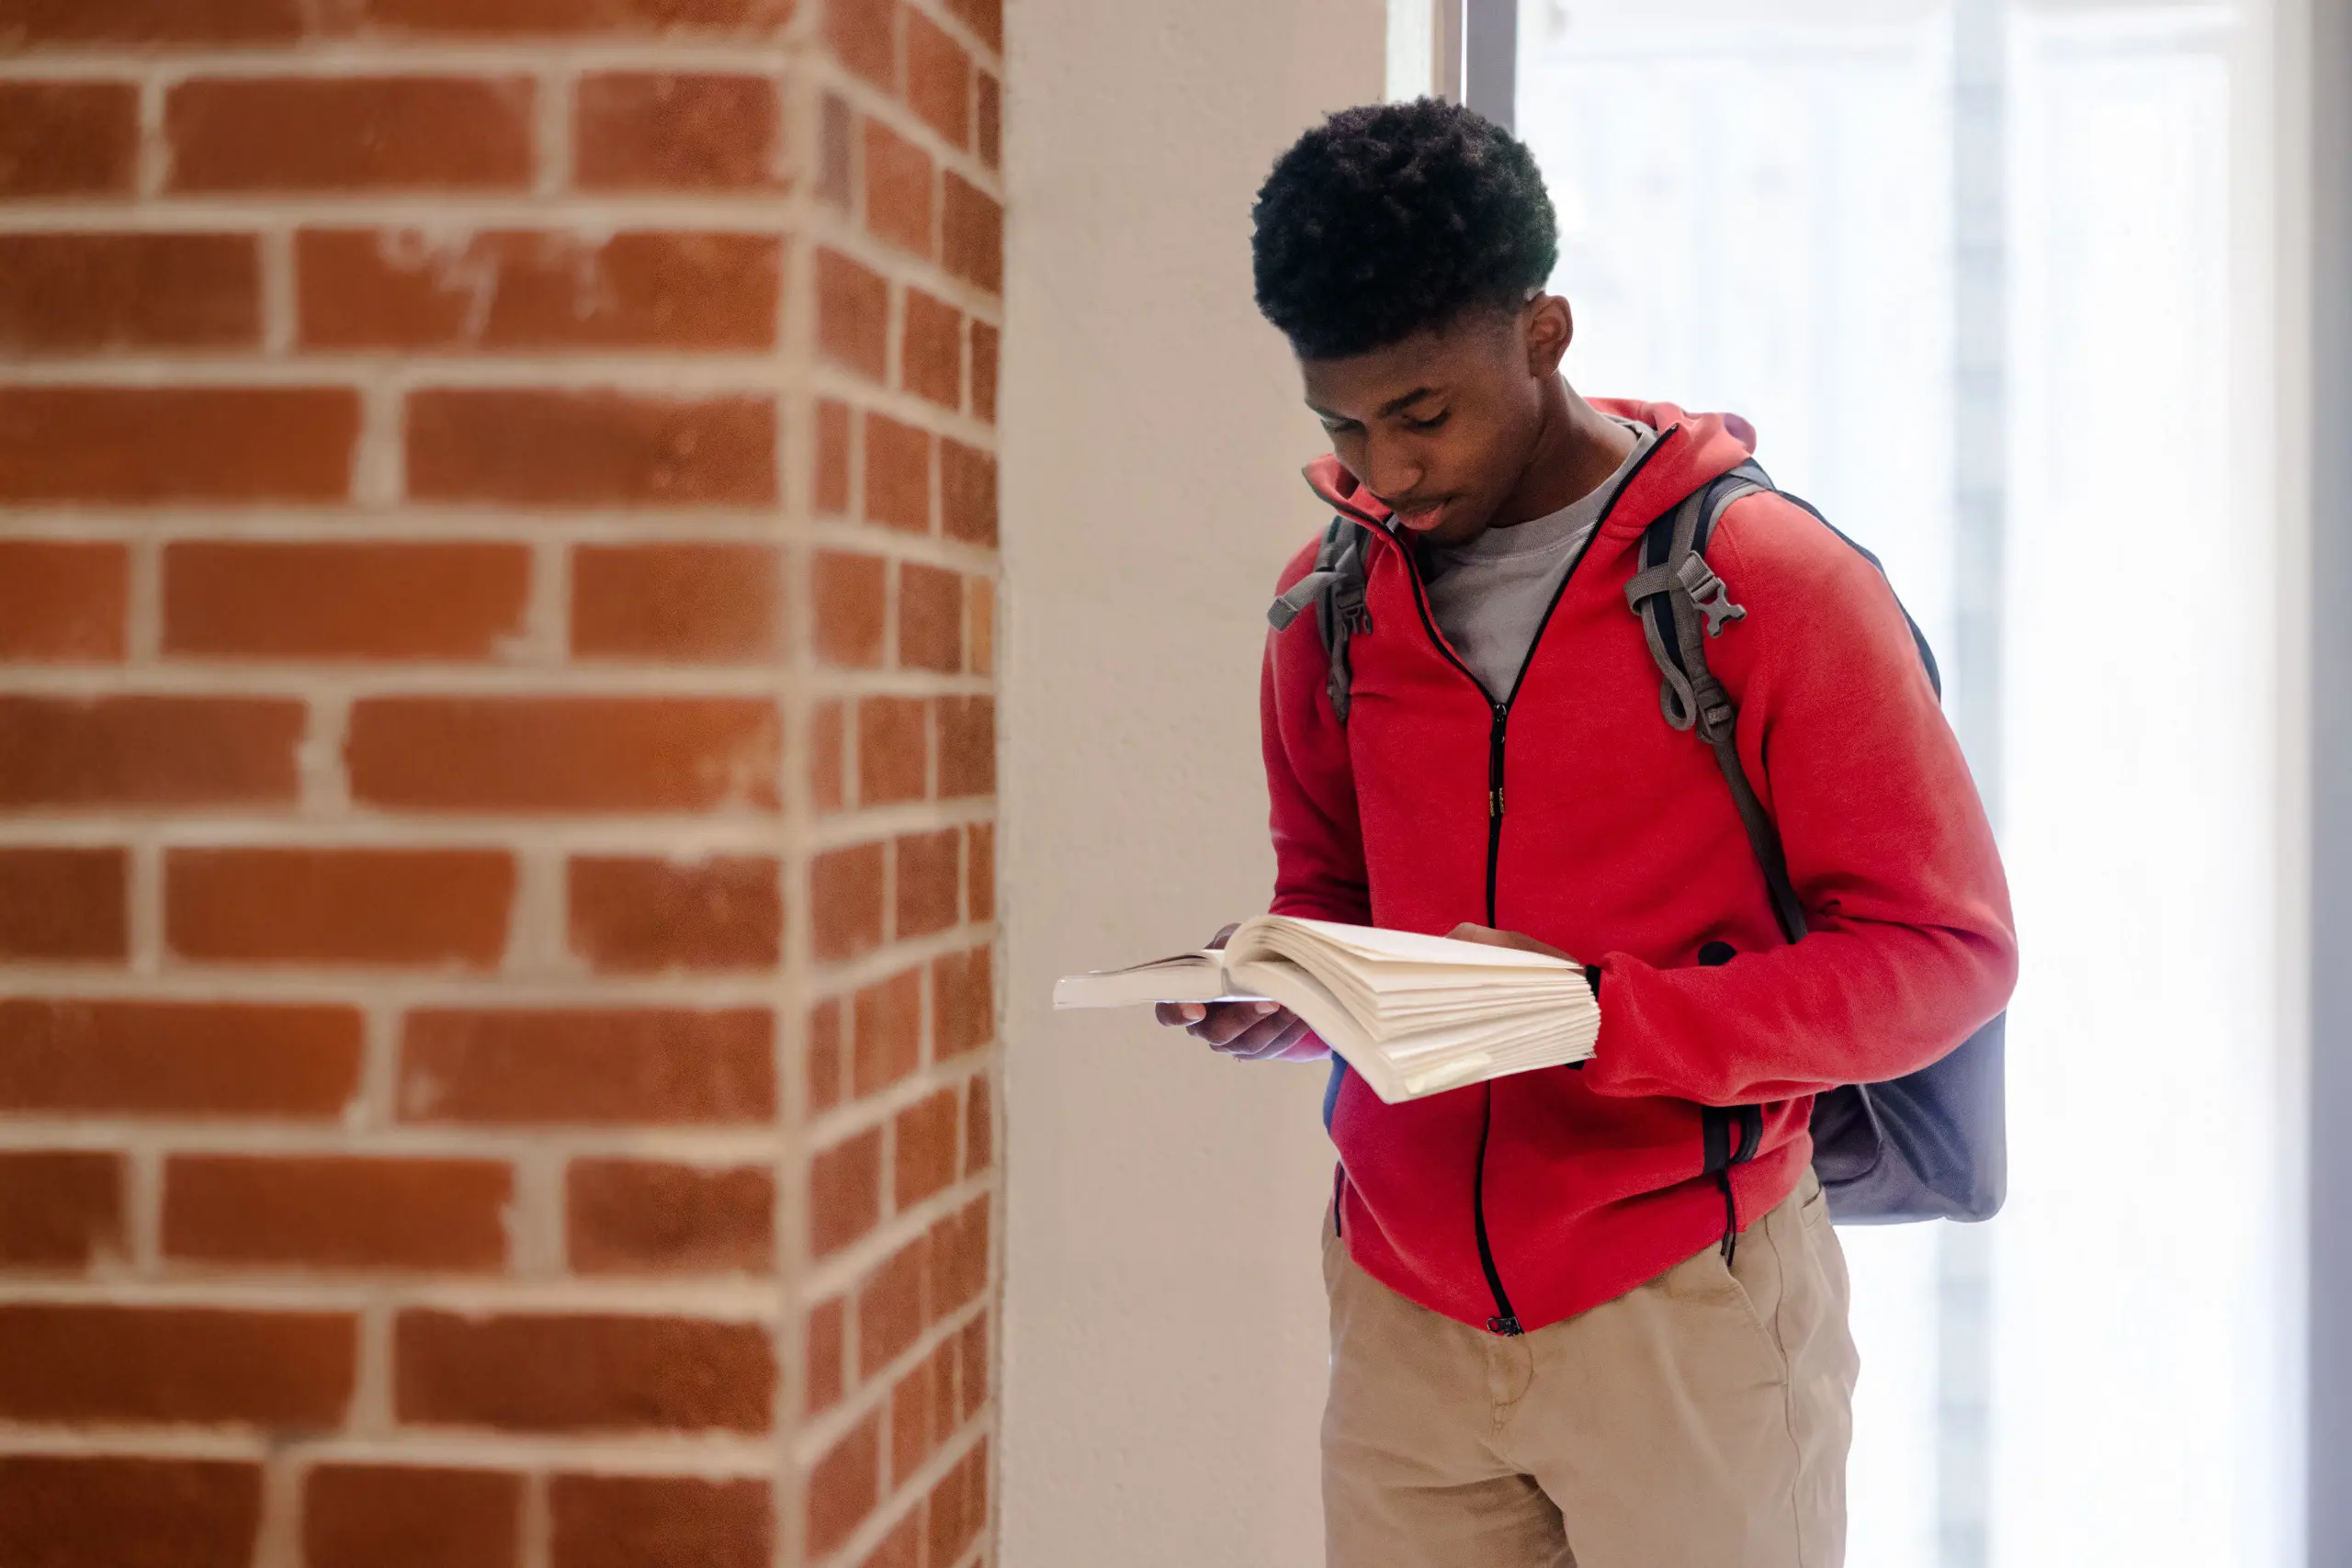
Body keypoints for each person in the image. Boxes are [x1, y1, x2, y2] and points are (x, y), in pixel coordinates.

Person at [1157, 99, 2018, 1568]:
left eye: (1423, 414)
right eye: (1345, 425)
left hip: (1689, 1301)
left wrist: (1600, 1019)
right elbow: (1339, 897)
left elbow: (1945, 957)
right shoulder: (1332, 604)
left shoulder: (1765, 585)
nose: (1388, 470)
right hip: (1402, 1309)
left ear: (1543, 331)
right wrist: (1288, 989)